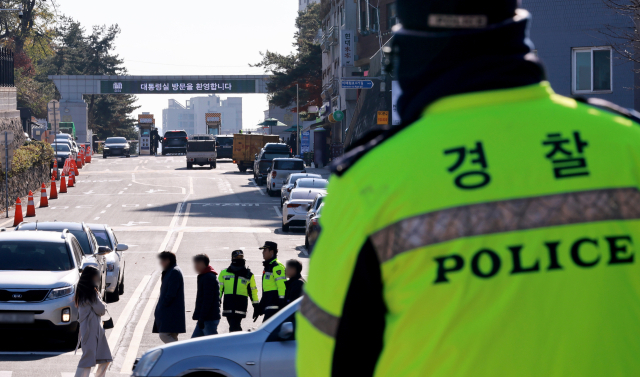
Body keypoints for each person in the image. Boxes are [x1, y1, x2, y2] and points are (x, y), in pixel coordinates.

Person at [297, 0, 640, 376]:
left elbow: (327, 360)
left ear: (412, 49)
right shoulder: (626, 145)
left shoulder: (371, 181)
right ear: (516, 31)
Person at [74, 266, 112, 377]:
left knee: (105, 357)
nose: (98, 277)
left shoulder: (85, 292)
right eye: (96, 275)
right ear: (91, 277)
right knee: (88, 359)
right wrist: (104, 305)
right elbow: (100, 309)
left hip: (95, 331)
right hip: (91, 331)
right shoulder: (90, 293)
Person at [219, 250, 259, 332]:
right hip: (228, 305)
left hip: (240, 305)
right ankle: (241, 341)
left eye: (241, 257)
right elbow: (219, 289)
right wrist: (217, 301)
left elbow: (253, 291)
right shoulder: (224, 273)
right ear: (232, 258)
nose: (239, 259)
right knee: (234, 327)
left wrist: (256, 305)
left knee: (234, 327)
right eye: (236, 257)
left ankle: (237, 343)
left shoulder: (248, 274)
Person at [152, 251, 186, 343]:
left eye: (162, 260)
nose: (160, 263)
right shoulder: (170, 271)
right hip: (171, 312)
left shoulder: (174, 271)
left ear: (168, 261)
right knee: (172, 336)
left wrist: (163, 305)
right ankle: (177, 356)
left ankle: (180, 352)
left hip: (171, 312)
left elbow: (171, 293)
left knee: (164, 335)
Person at [191, 253, 221, 338]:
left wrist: (202, 317)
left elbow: (208, 299)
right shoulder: (205, 276)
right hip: (205, 318)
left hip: (208, 319)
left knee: (213, 345)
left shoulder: (208, 277)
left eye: (196, 264)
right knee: (194, 345)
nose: (195, 266)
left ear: (202, 264)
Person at [258, 241, 286, 321]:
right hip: (269, 304)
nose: (263, 253)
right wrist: (261, 304)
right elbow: (267, 288)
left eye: (265, 250)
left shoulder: (276, 266)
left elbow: (282, 286)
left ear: (271, 252)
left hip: (274, 305)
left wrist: (281, 302)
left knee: (265, 331)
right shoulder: (269, 265)